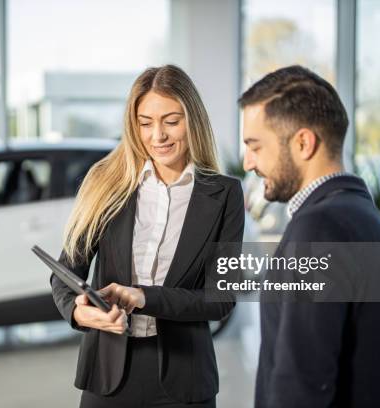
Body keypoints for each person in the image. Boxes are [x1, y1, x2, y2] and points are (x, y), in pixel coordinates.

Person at [51, 64, 245, 408]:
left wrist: (144, 297)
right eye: (145, 123)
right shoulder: (106, 183)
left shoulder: (225, 195)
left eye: (171, 121)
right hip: (107, 377)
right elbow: (65, 275)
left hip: (186, 379)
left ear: (193, 120)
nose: (158, 136)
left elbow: (221, 299)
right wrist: (82, 314)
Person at [240, 65, 380, 407]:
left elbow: (300, 386)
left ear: (303, 142)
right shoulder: (370, 222)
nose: (247, 162)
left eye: (255, 146)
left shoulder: (318, 230)